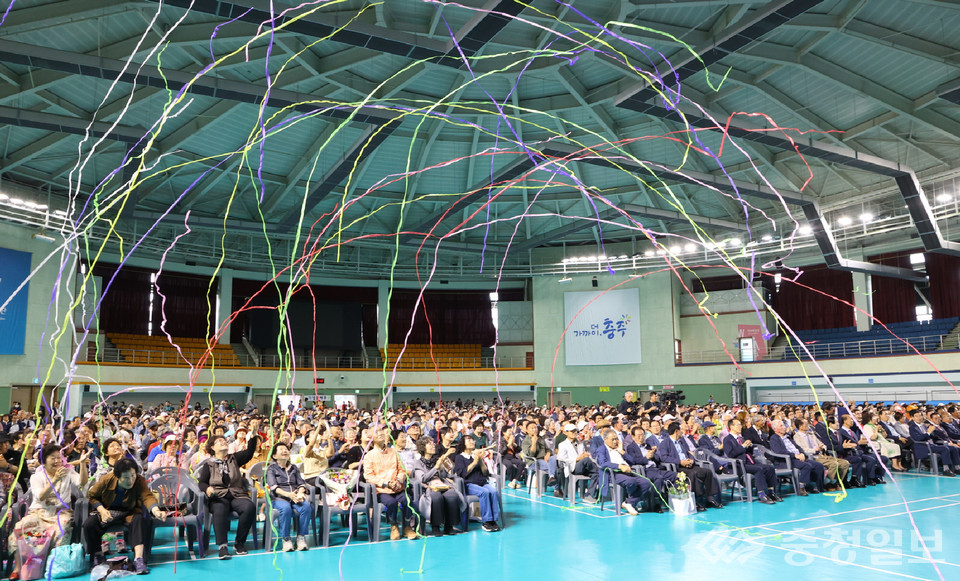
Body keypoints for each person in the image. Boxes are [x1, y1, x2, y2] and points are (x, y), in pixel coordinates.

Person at [84, 458, 167, 575]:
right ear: (117, 476)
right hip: (107, 511)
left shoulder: (139, 480)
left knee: (139, 519)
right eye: (126, 477)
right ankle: (98, 555)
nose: (131, 480)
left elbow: (147, 496)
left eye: (133, 475)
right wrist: (101, 510)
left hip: (129, 512)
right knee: (89, 524)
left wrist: (156, 511)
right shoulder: (106, 480)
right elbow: (92, 496)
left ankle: (139, 559)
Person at [197, 423, 261, 559]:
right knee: (219, 510)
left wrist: (253, 434)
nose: (223, 442)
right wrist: (207, 488)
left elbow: (249, 452)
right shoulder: (208, 464)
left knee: (249, 507)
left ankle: (239, 542)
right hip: (218, 496)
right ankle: (223, 546)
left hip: (237, 494)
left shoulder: (234, 458)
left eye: (224, 440)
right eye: (219, 441)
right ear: (213, 448)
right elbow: (201, 482)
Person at [12, 444, 87, 552]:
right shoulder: (36, 477)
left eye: (59, 458)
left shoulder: (68, 473)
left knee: (62, 527)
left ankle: (55, 558)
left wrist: (83, 463)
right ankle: (28, 559)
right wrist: (55, 479)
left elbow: (82, 482)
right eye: (53, 458)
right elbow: (41, 497)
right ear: (44, 461)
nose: (57, 461)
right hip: (39, 513)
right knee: (21, 527)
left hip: (61, 513)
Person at [363, 426, 417, 540]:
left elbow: (402, 469)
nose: (381, 434)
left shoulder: (393, 452)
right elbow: (368, 476)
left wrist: (398, 480)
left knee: (407, 500)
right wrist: (386, 483)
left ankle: (407, 527)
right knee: (391, 502)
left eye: (381, 431)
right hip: (382, 490)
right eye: (377, 432)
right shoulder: (369, 456)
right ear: (371, 437)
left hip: (397, 487)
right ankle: (394, 526)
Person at [657, 422, 721, 510]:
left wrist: (691, 460)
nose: (682, 432)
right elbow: (664, 458)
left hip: (688, 464)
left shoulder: (681, 442)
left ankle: (710, 498)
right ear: (676, 431)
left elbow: (689, 453)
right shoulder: (665, 443)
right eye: (680, 430)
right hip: (678, 466)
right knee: (692, 474)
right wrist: (680, 462)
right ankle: (695, 500)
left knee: (707, 472)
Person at [265, 442, 312, 552]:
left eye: (286, 449)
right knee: (285, 509)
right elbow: (273, 487)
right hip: (279, 498)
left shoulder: (294, 468)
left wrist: (300, 492)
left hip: (295, 496)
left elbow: (301, 483)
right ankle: (286, 539)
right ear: (274, 456)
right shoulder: (271, 469)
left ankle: (301, 537)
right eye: (281, 449)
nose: (285, 451)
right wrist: (289, 495)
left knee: (306, 507)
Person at [594, 428, 650, 515]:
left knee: (646, 482)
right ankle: (630, 503)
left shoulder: (619, 448)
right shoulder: (601, 449)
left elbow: (632, 461)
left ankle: (629, 503)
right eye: (613, 439)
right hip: (613, 474)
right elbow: (603, 463)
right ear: (605, 440)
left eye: (616, 439)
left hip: (627, 472)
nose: (615, 441)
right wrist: (619, 466)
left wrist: (622, 452)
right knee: (631, 481)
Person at [723, 419, 779, 505]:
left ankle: (771, 492)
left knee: (769, 468)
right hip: (738, 465)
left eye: (740, 425)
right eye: (738, 425)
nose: (740, 427)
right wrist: (743, 446)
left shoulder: (741, 438)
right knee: (759, 469)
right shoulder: (727, 439)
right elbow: (730, 454)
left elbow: (748, 451)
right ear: (731, 427)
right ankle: (761, 494)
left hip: (750, 461)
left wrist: (749, 445)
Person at [453, 435, 500, 531]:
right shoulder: (459, 457)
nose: (472, 441)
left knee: (494, 491)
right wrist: (475, 461)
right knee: (484, 492)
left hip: (482, 482)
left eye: (472, 440)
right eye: (469, 440)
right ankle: (486, 521)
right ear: (463, 444)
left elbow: (485, 473)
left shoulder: (476, 455)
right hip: (468, 484)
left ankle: (493, 520)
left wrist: (481, 460)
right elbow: (463, 473)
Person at [768, 420, 824, 494]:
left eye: (783, 425)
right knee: (806, 466)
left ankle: (819, 487)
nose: (784, 427)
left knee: (818, 465)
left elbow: (797, 446)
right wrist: (795, 455)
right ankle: (802, 487)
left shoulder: (787, 436)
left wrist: (802, 453)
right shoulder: (774, 438)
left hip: (798, 457)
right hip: (785, 461)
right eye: (781, 426)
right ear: (775, 429)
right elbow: (778, 451)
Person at [792, 419, 849, 490]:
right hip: (812, 456)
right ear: (800, 426)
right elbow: (803, 450)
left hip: (822, 455)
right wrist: (815, 450)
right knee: (834, 464)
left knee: (845, 463)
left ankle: (834, 482)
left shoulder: (811, 434)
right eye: (806, 424)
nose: (809, 426)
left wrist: (822, 447)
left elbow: (822, 444)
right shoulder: (796, 437)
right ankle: (827, 483)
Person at [556, 423, 599, 503]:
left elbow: (582, 455)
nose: (574, 433)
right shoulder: (562, 445)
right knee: (587, 461)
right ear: (566, 432)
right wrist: (578, 458)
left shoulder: (580, 443)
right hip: (572, 467)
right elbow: (562, 459)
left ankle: (589, 495)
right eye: (572, 431)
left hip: (583, 465)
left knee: (596, 473)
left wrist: (585, 456)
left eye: (575, 431)